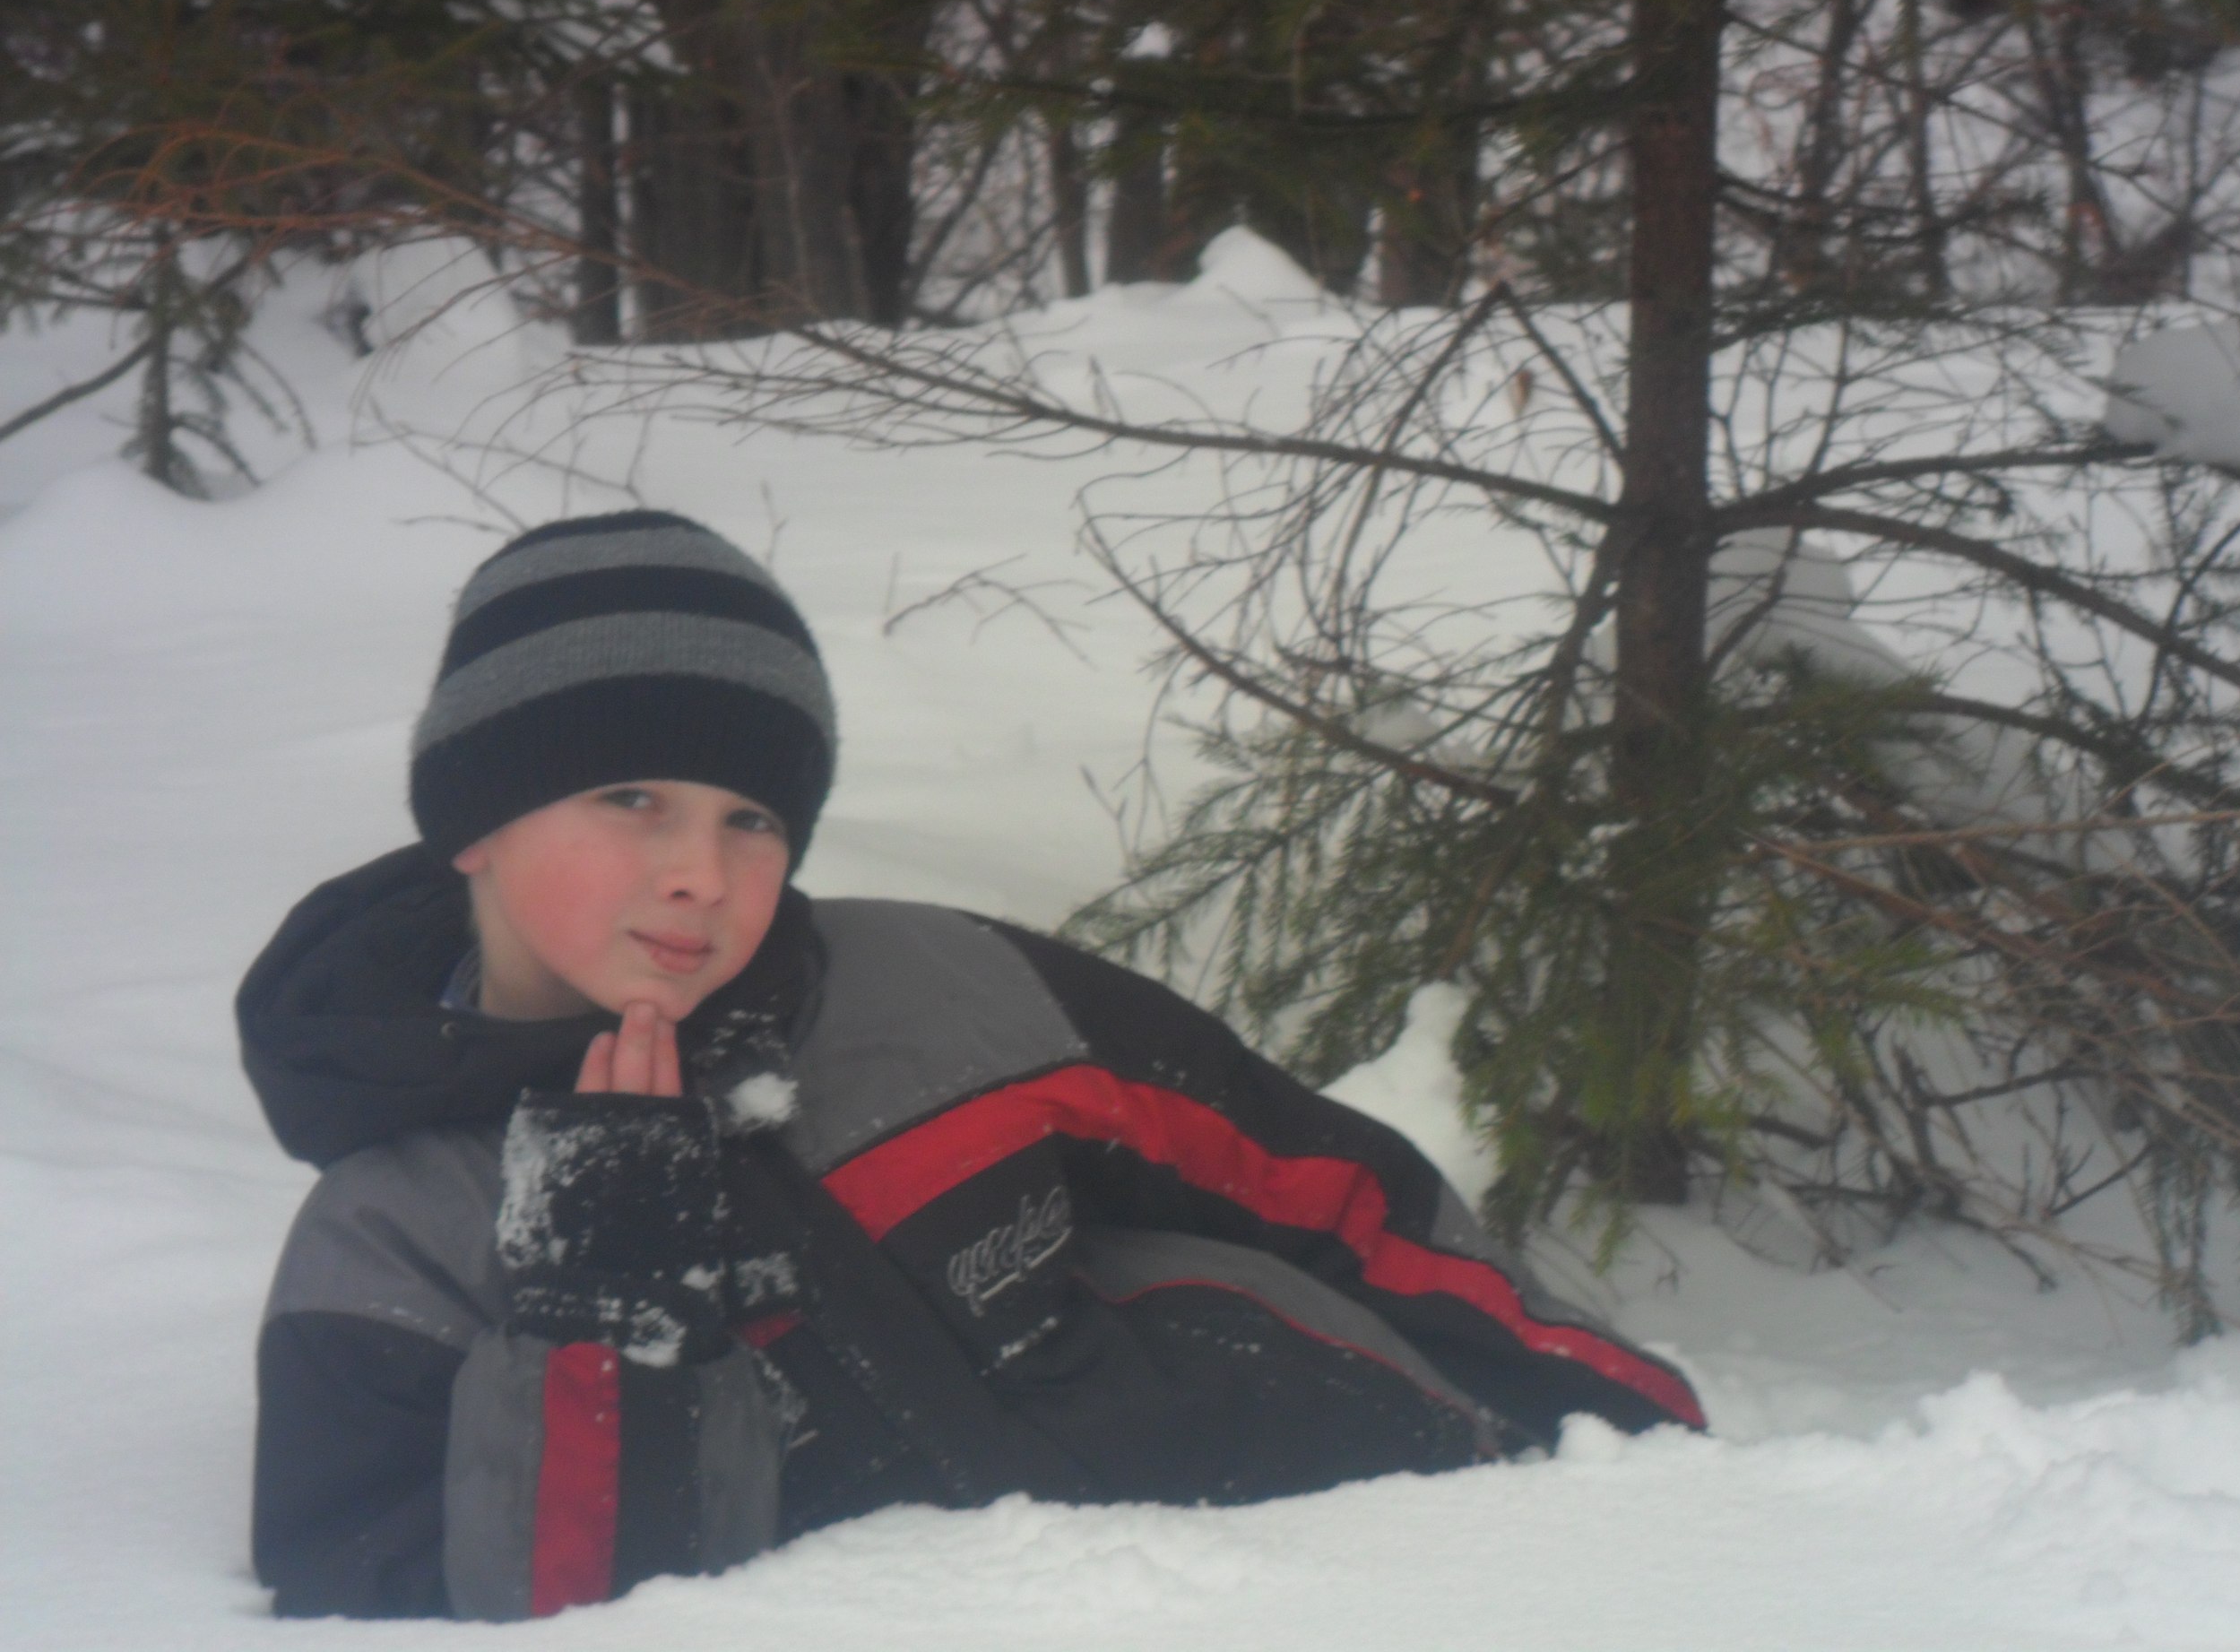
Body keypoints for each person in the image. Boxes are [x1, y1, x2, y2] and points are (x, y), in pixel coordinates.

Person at [239, 509, 1703, 1621]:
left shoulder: (944, 993)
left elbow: (1322, 1189)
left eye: (755, 818)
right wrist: (612, 1314)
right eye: (632, 797)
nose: (701, 872)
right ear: (474, 822)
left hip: (1373, 1571)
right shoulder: (395, 1235)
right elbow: (511, 1617)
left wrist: (1648, 1448)